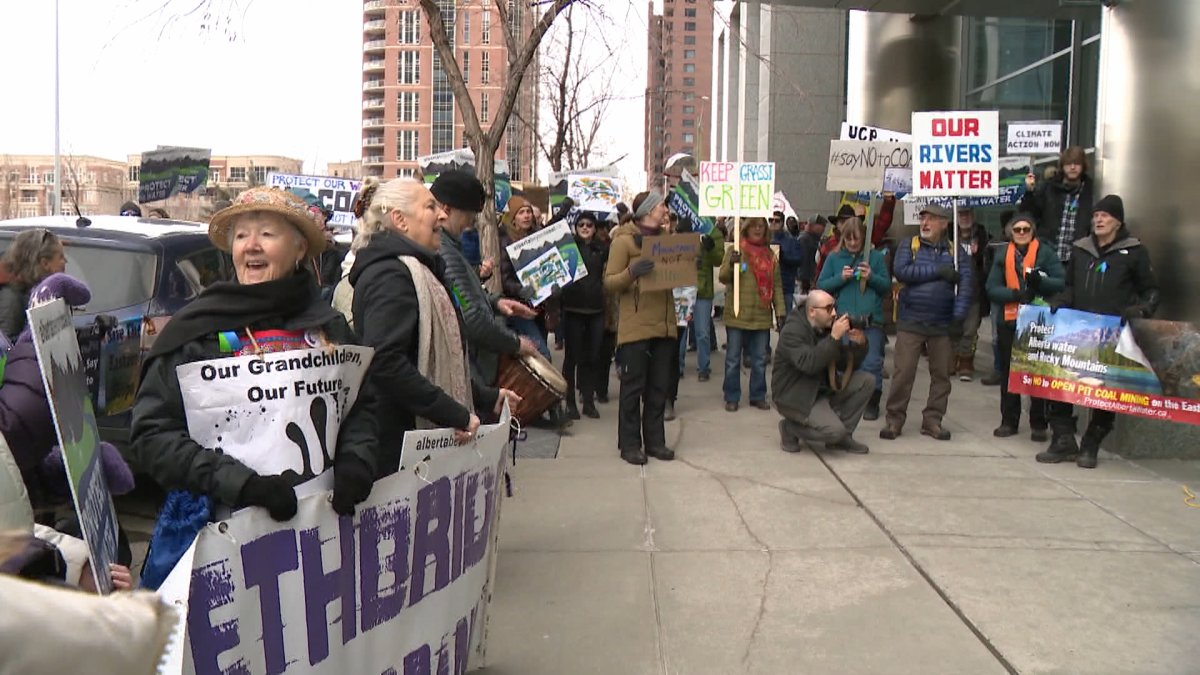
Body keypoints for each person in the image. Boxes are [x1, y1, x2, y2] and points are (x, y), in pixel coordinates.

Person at [131, 188, 379, 543]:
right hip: (223, 543)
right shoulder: (201, 330)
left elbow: (361, 409)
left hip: (320, 539)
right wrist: (242, 485)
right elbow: (152, 435)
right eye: (242, 235)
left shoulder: (328, 327)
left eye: (266, 234)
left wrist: (357, 461)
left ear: (299, 249)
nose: (251, 245)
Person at [348, 178, 518, 472]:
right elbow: (386, 362)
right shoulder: (390, 275)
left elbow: (434, 361)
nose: (441, 214)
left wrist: (487, 398)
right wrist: (454, 413)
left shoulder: (419, 269)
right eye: (430, 207)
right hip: (399, 454)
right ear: (400, 220)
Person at [1038, 195, 1158, 468]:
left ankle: (1091, 444)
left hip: (1112, 334)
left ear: (1118, 221)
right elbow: (1070, 286)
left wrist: (1141, 310)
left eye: (1105, 216)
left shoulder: (1135, 252)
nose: (1099, 220)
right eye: (1096, 216)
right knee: (1062, 385)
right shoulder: (1080, 250)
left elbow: (1150, 290)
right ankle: (1063, 441)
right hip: (1077, 331)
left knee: (1104, 393)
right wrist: (1059, 302)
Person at [433, 170, 539, 388]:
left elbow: (460, 297)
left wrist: (495, 302)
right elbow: (471, 317)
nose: (470, 223)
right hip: (470, 367)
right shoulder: (445, 252)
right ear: (446, 209)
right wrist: (516, 343)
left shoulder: (450, 247)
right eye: (469, 215)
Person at [879, 202, 973, 441]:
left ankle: (933, 420)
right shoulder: (908, 246)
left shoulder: (955, 252)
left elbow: (965, 286)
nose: (925, 223)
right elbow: (902, 272)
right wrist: (939, 271)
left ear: (944, 223)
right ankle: (894, 419)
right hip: (912, 320)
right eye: (922, 219)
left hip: (942, 324)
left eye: (931, 219)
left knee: (941, 376)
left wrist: (958, 318)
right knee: (904, 373)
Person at [603, 190, 677, 465]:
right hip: (636, 326)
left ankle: (656, 441)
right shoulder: (623, 241)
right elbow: (610, 282)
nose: (665, 211)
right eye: (661, 207)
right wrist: (632, 272)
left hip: (664, 324)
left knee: (659, 388)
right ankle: (630, 444)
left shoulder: (667, 240)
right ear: (647, 210)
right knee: (633, 388)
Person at [986, 214, 1064, 440]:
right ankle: (1008, 421)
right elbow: (991, 287)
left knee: (1036, 373)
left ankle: (1038, 423)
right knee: (1009, 375)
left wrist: (1041, 283)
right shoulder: (1002, 254)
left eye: (1026, 229)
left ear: (1033, 231)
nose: (1021, 233)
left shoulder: (1046, 253)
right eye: (1017, 229)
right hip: (1009, 320)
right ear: (1011, 232)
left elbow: (1060, 281)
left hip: (1037, 322)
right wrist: (1014, 294)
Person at [773, 290, 872, 454]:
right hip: (795, 395)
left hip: (820, 390)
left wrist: (860, 345)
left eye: (834, 307)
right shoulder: (792, 331)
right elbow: (808, 364)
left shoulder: (824, 326)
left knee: (866, 381)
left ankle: (843, 438)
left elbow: (842, 365)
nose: (834, 313)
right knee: (834, 431)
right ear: (812, 311)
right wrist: (833, 338)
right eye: (828, 309)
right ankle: (790, 428)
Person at [816, 217, 890, 421]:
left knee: (872, 361)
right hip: (844, 320)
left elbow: (886, 288)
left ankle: (872, 401)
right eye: (848, 239)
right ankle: (842, 398)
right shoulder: (834, 258)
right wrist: (841, 278)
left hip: (870, 321)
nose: (853, 243)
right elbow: (821, 286)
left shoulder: (874, 257)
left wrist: (872, 277)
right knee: (842, 361)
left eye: (856, 239)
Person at [719, 217, 784, 412]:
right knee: (732, 360)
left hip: (761, 316)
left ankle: (757, 395)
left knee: (759, 360)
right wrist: (732, 264)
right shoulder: (736, 250)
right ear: (746, 228)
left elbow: (777, 286)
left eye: (761, 226)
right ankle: (732, 396)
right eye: (754, 225)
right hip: (738, 314)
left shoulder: (770, 255)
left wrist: (780, 312)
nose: (757, 229)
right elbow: (723, 277)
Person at [559, 212, 608, 419]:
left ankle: (588, 400)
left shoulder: (602, 249)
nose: (585, 227)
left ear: (595, 228)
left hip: (596, 310)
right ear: (575, 227)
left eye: (589, 224)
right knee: (572, 357)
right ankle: (570, 402)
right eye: (581, 224)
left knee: (592, 357)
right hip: (573, 309)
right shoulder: (568, 248)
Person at [1019, 146, 1095, 265]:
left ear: (1083, 166)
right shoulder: (1049, 188)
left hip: (1078, 259)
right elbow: (1029, 214)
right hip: (1048, 256)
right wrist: (1029, 192)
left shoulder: (1091, 190)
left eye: (1077, 163)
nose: (1073, 167)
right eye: (1068, 164)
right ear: (1062, 166)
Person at [498, 196, 552, 359]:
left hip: (539, 308)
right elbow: (505, 278)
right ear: (513, 218)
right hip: (519, 308)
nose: (527, 215)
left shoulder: (540, 237)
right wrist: (520, 290)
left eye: (528, 211)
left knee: (537, 351)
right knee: (542, 354)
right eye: (521, 212)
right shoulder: (505, 241)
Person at [0, 229, 67, 338]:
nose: (65, 261)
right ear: (45, 263)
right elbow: (6, 351)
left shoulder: (38, 294)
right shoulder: (12, 300)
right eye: (61, 257)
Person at [953, 205, 991, 381]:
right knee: (952, 328)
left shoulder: (983, 238)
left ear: (973, 216)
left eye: (968, 214)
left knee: (969, 329)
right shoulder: (949, 236)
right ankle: (952, 358)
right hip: (953, 290)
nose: (964, 217)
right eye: (961, 214)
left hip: (975, 292)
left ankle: (966, 361)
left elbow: (988, 266)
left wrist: (979, 255)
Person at [690, 220, 725, 382]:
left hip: (702, 290)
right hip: (682, 287)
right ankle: (677, 367)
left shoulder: (713, 232)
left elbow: (719, 259)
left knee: (702, 332)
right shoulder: (685, 225)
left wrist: (710, 248)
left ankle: (703, 367)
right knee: (680, 334)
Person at [771, 210, 805, 317]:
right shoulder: (764, 240)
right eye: (771, 220)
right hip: (765, 286)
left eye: (777, 221)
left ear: (782, 223)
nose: (773, 223)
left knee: (785, 318)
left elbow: (798, 260)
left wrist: (783, 256)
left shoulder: (791, 241)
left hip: (785, 286)